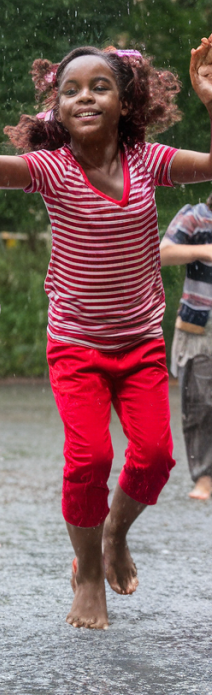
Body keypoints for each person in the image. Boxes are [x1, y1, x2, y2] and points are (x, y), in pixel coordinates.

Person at [0, 34, 212, 630]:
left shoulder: (150, 160)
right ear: (57, 109)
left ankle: (113, 535)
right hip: (76, 343)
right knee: (89, 457)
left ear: (126, 101)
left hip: (140, 340)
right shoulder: (52, 168)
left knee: (157, 457)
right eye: (70, 90)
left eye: (99, 87)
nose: (84, 97)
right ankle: (88, 574)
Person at [160, 199, 212, 500]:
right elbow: (163, 252)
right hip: (200, 327)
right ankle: (204, 476)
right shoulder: (197, 216)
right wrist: (203, 251)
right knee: (199, 403)